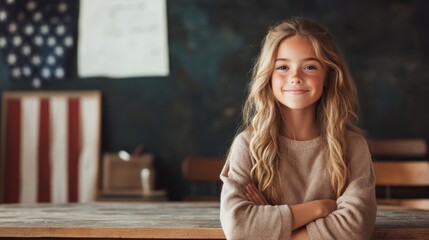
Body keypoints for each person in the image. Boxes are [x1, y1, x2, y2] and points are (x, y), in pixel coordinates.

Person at [220, 17, 376, 240]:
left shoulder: (352, 147)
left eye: (310, 66)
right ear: (269, 77)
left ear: (328, 76)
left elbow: (355, 229)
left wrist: (272, 228)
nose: (295, 77)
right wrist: (321, 208)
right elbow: (238, 228)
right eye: (283, 67)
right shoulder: (247, 145)